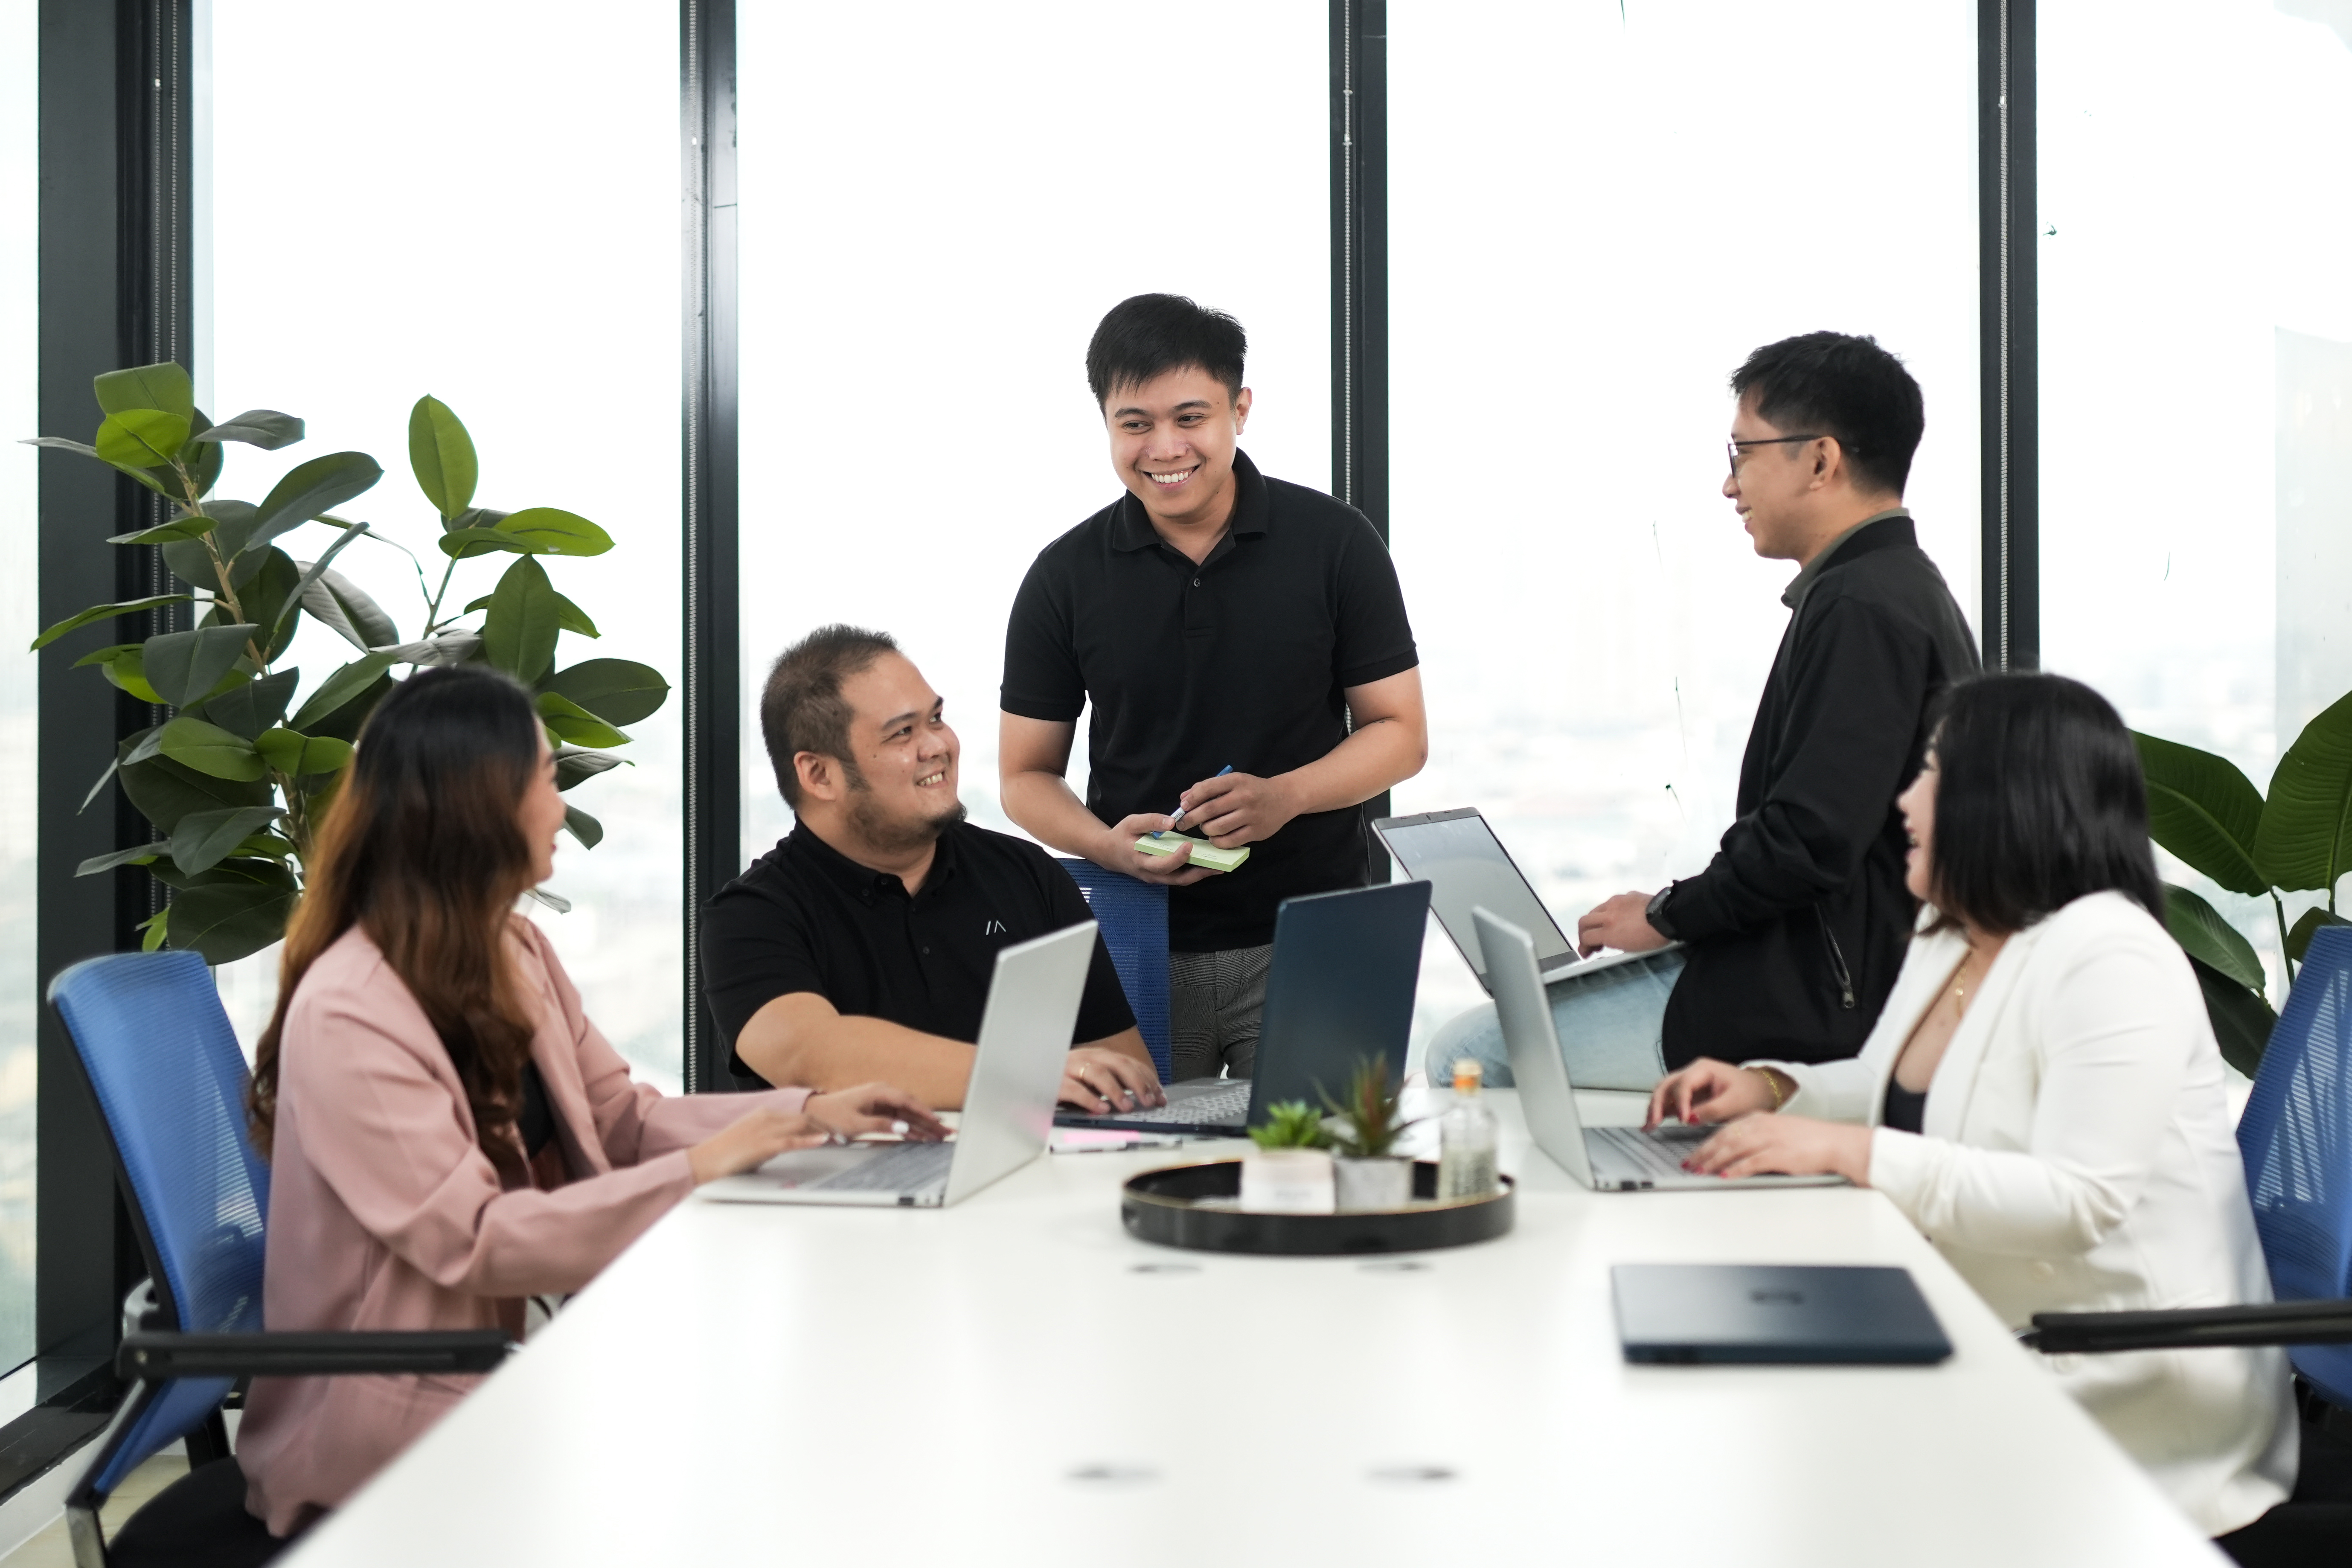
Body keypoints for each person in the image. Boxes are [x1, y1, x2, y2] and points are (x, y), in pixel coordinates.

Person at [235, 666, 943, 1537]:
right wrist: (694, 1171)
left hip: (508, 1364)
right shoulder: (352, 1008)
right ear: (476, 804)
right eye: (542, 778)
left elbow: (621, 1119)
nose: (561, 804)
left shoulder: (513, 947)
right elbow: (474, 1240)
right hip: (398, 1426)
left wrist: (808, 1112)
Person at [1649, 673, 2297, 1539]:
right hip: (1995, 1323)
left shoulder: (2109, 957)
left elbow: (2075, 1199)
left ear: (2001, 799)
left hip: (2121, 1375)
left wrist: (1849, 1153)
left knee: (1785, 1463)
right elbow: (1896, 1092)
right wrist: (1768, 1087)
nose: (1903, 799)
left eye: (1927, 773)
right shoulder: (1953, 930)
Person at [1000, 293, 1427, 1082]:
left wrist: (1286, 797)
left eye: (1190, 418)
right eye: (1134, 424)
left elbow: (1400, 733)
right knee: (1129, 1176)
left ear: (1240, 410)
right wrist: (1104, 846)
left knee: (1327, 1174)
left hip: (1316, 931)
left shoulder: (1335, 544)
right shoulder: (1063, 577)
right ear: (1105, 424)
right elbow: (1023, 777)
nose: (1164, 447)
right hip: (1135, 936)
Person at [1573, 330, 1980, 1072]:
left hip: (1820, 1007)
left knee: (1478, 1051)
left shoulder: (1861, 606)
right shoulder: (1895, 589)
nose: (1730, 486)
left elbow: (1807, 840)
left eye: (1743, 454)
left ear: (1820, 460)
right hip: (1838, 978)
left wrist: (1665, 915)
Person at [702, 625, 1161, 1114]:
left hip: (1029, 1180)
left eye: (936, 719)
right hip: (843, 1186)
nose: (938, 746)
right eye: (903, 732)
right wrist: (1031, 1077)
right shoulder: (750, 918)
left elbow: (1126, 1075)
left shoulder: (1026, 875)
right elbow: (817, 1057)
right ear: (819, 775)